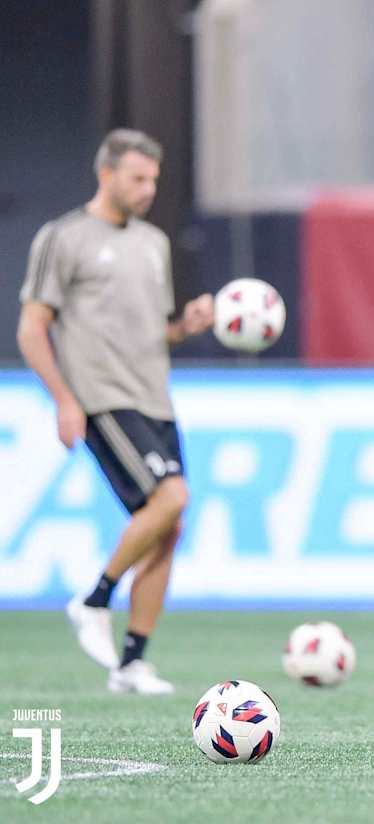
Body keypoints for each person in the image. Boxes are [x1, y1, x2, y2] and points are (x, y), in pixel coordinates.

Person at [17, 129, 214, 695]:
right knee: (172, 498)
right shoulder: (65, 238)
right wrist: (64, 399)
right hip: (104, 397)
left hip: (154, 396)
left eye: (154, 179)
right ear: (105, 174)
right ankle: (95, 598)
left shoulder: (153, 243)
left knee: (169, 527)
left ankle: (131, 663)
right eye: (138, 178)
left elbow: (155, 332)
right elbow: (32, 327)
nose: (149, 189)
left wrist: (186, 326)